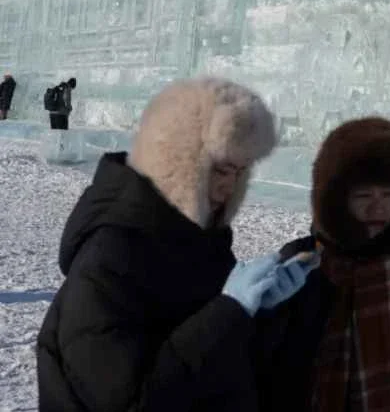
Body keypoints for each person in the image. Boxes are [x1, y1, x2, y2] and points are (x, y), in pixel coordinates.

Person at [36, 76, 315, 411]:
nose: (231, 186)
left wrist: (263, 313)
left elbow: (222, 368)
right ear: (177, 160)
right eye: (222, 170)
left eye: (241, 172)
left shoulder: (202, 244)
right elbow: (131, 401)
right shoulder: (108, 260)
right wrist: (229, 313)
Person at [254, 116, 390, 411]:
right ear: (335, 199)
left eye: (389, 194)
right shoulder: (301, 265)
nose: (378, 207)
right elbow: (264, 367)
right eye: (364, 195)